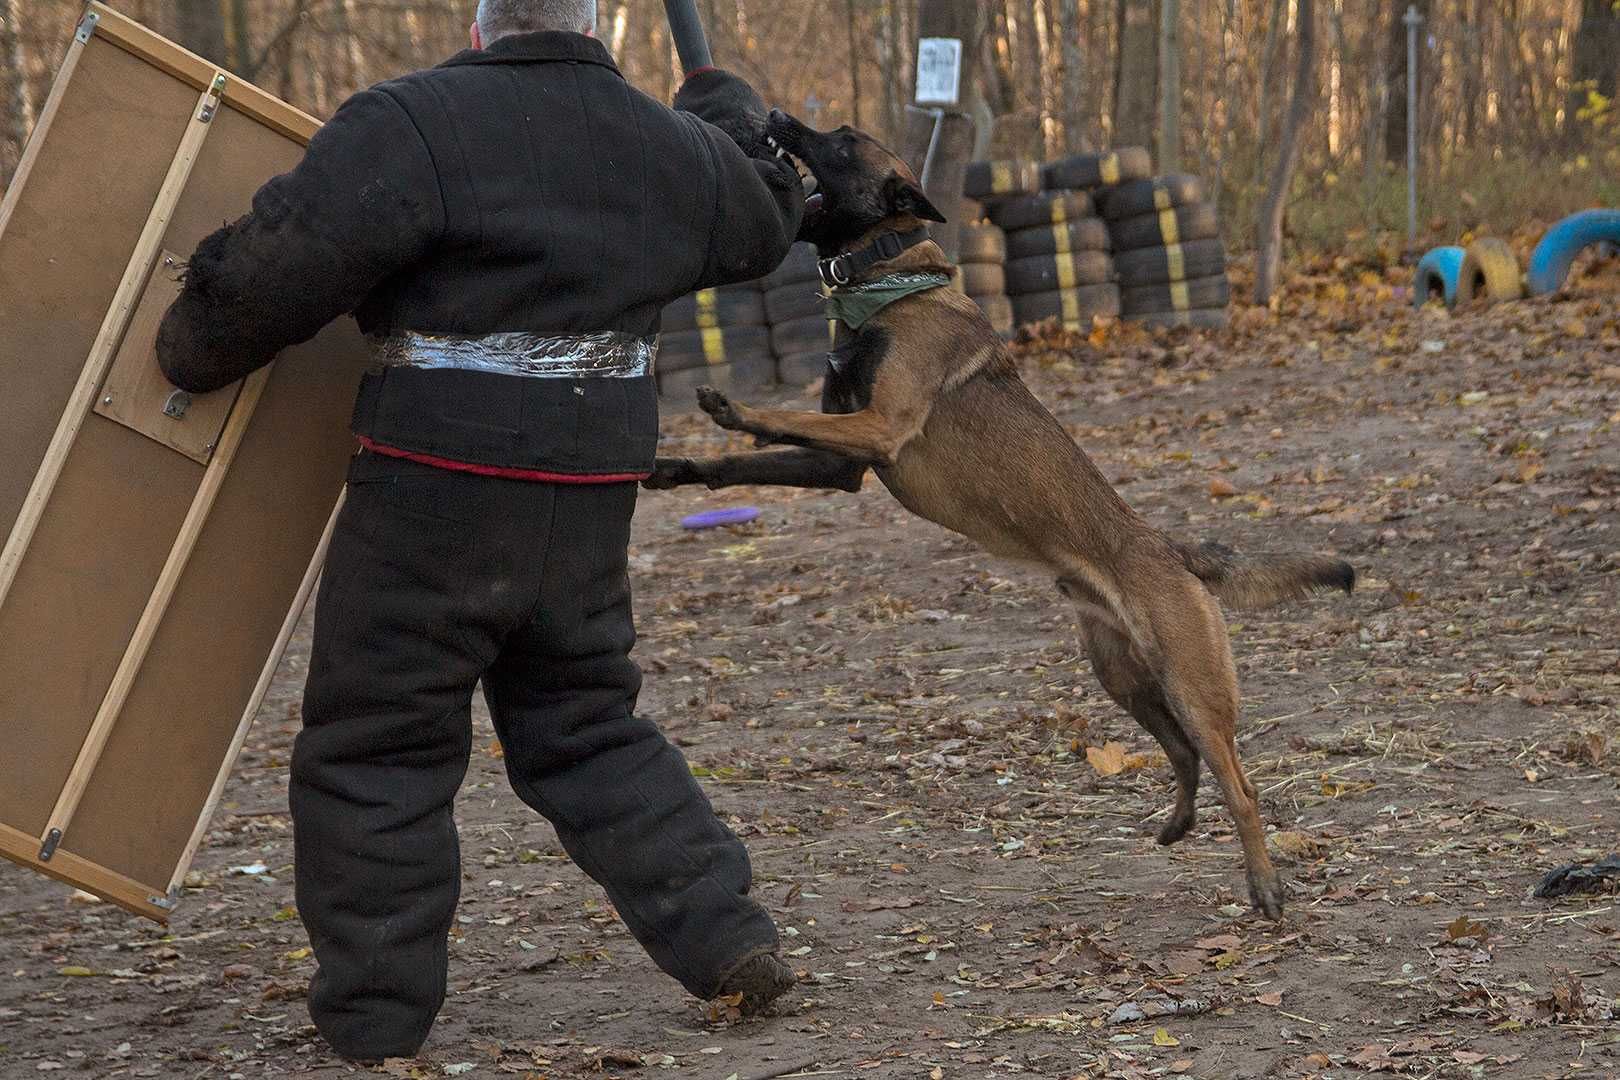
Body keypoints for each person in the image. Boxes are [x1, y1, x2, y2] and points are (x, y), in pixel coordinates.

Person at [156, 0, 803, 1061]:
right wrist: (723, 108)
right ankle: (730, 937)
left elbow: (276, 272)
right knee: (585, 724)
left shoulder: (412, 124)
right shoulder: (673, 149)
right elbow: (770, 208)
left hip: (435, 493)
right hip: (590, 487)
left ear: (480, 25)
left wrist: (187, 348)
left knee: (379, 741)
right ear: (598, 28)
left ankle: (375, 1020)